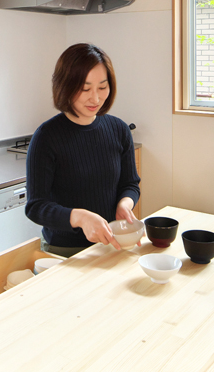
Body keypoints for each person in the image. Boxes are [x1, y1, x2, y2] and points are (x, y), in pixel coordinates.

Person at [25, 43, 140, 256]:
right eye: (85, 89)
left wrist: (125, 204)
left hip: (111, 244)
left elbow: (130, 184)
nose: (95, 98)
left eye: (102, 87)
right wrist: (79, 218)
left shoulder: (119, 130)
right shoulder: (46, 137)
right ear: (65, 86)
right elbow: (36, 207)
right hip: (64, 251)